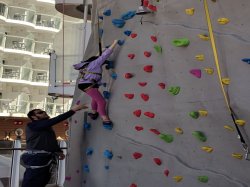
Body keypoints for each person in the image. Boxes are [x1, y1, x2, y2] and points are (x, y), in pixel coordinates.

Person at [21, 104, 87, 187]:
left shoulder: (46, 127)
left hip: (43, 158)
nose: (44, 112)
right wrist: (73, 110)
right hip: (36, 159)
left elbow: (51, 140)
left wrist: (58, 151)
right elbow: (55, 120)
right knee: (33, 181)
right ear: (33, 117)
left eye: (43, 111)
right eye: (40, 112)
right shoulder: (32, 125)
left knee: (42, 180)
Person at [73, 40, 118, 129]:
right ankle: (105, 119)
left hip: (88, 84)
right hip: (88, 84)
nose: (103, 62)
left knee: (95, 98)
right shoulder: (95, 63)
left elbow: (97, 56)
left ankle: (94, 113)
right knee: (101, 101)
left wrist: (102, 49)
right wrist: (114, 43)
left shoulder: (89, 64)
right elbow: (104, 56)